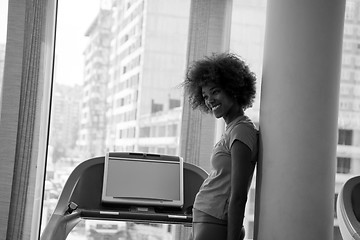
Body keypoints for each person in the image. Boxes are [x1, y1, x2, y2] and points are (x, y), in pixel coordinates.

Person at [182, 53, 258, 240]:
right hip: (206, 218)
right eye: (206, 96)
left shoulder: (241, 131)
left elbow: (239, 196)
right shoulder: (231, 129)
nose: (210, 100)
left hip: (214, 222)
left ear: (233, 89)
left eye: (215, 92)